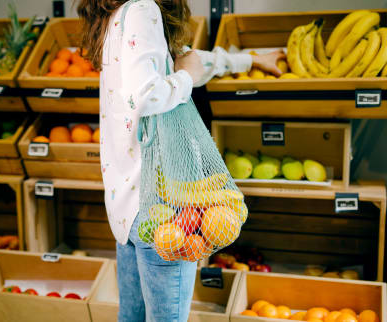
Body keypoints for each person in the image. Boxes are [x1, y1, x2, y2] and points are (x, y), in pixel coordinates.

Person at [77, 0, 285, 321]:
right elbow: (150, 94)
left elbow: (179, 61)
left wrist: (247, 60)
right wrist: (186, 79)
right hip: (163, 206)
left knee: (131, 316)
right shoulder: (145, 9)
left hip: (127, 206)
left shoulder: (115, 16)